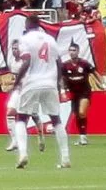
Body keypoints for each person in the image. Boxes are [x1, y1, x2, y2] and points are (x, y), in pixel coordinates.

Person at [10, 21, 71, 169]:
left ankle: (23, 154)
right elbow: (59, 63)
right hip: (50, 83)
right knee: (56, 119)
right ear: (39, 26)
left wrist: (17, 82)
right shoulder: (50, 40)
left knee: (21, 118)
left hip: (32, 82)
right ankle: (65, 158)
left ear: (26, 26)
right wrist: (58, 83)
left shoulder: (25, 40)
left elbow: (27, 61)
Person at [59, 43, 102, 145]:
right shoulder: (65, 65)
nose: (72, 52)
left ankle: (83, 138)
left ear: (78, 51)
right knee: (78, 114)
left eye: (74, 50)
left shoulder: (84, 63)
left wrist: (103, 84)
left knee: (82, 112)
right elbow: (61, 79)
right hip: (74, 93)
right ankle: (83, 137)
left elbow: (95, 73)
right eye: (70, 50)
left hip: (85, 92)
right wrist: (63, 91)